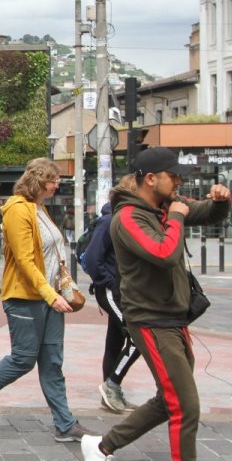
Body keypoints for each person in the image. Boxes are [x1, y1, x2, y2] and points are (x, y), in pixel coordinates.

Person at [82, 148, 230, 461]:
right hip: (151, 320)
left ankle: (102, 446)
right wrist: (177, 216)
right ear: (151, 179)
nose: (179, 182)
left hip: (173, 319)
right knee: (185, 407)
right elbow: (164, 253)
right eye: (173, 176)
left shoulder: (165, 205)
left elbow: (207, 213)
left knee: (169, 400)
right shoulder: (127, 217)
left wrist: (220, 200)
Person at [0, 158, 92, 446]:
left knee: (52, 361)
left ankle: (65, 424)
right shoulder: (18, 210)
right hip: (25, 298)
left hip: (49, 298)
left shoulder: (40, 208)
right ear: (39, 180)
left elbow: (51, 254)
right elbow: (25, 261)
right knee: (22, 359)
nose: (57, 185)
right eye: (53, 180)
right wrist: (50, 295)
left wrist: (59, 289)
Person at [80, 175, 143, 414]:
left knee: (115, 341)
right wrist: (110, 284)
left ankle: (112, 392)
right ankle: (112, 385)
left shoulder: (125, 219)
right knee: (137, 337)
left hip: (120, 289)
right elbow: (94, 259)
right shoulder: (110, 221)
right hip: (111, 290)